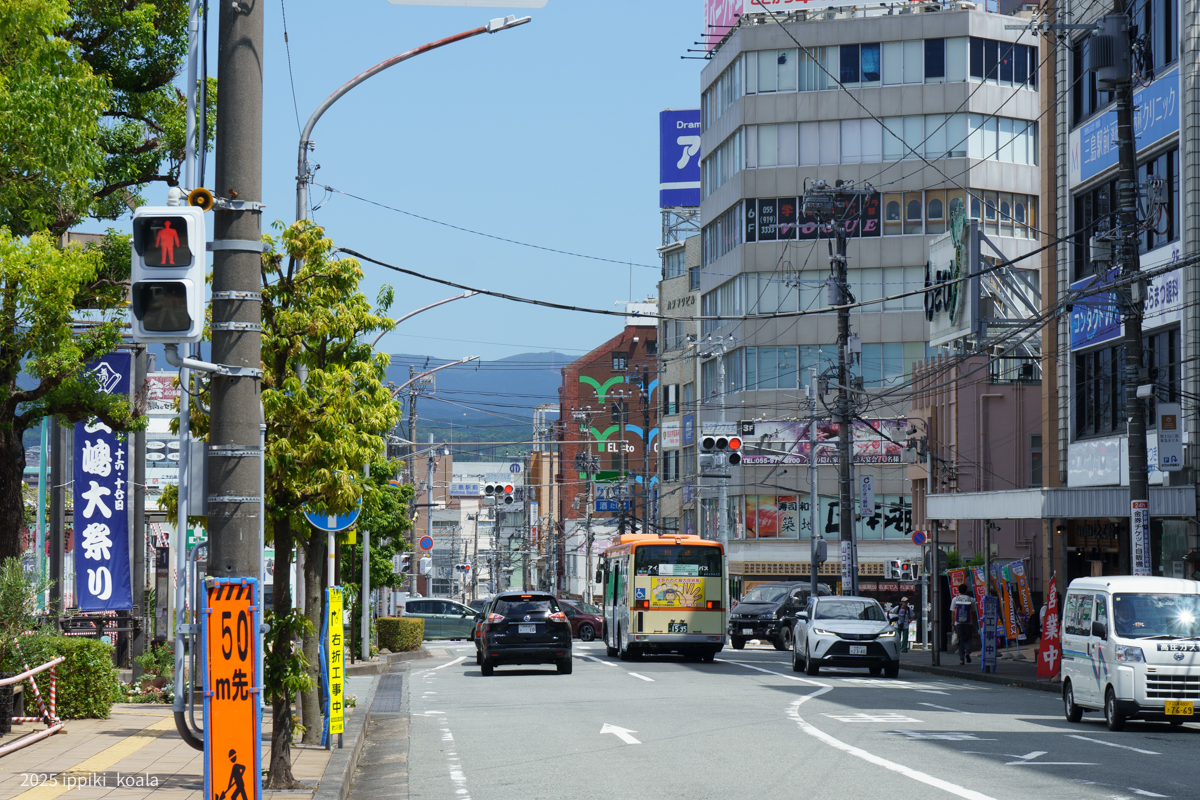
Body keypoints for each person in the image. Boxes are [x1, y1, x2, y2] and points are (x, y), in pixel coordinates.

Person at [950, 583, 975, 665]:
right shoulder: (971, 599)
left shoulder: (955, 599)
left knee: (960, 640)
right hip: (969, 623)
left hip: (958, 623)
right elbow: (974, 613)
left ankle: (961, 659)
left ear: (959, 591)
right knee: (968, 639)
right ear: (966, 590)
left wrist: (953, 624)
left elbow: (953, 613)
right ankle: (967, 652)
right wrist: (974, 624)